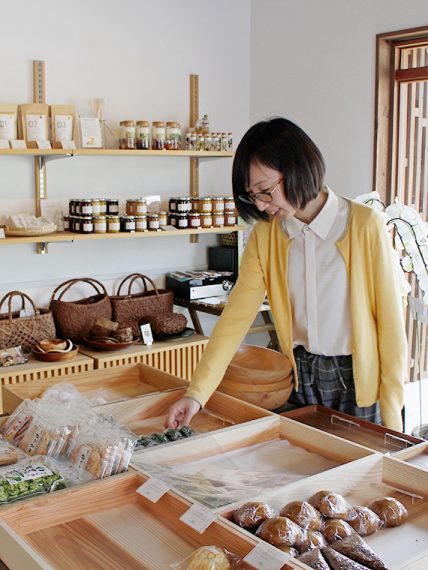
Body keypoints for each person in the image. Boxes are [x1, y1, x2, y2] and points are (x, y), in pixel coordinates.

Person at [165, 117, 407, 432]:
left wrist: (393, 420)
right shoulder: (267, 235)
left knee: (361, 475)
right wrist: (196, 395)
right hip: (297, 376)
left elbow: (390, 328)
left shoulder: (364, 225)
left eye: (266, 191)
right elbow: (235, 318)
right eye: (253, 197)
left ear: (298, 168)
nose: (262, 206)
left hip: (359, 381)